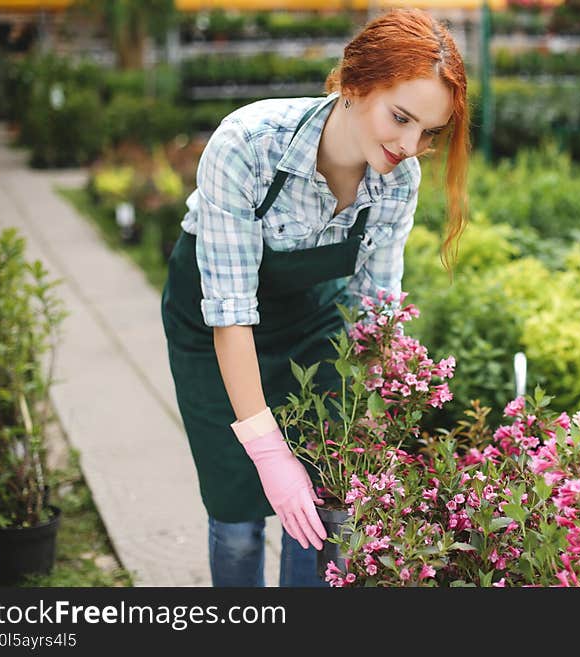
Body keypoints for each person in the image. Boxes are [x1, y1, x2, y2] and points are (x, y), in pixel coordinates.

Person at [161, 8, 469, 587]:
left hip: (311, 324)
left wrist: (382, 409)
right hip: (213, 334)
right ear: (353, 86)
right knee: (239, 520)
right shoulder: (247, 146)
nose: (410, 145)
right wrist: (267, 449)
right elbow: (230, 313)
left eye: (428, 133)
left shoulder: (397, 178)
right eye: (400, 118)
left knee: (322, 515)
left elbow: (377, 302)